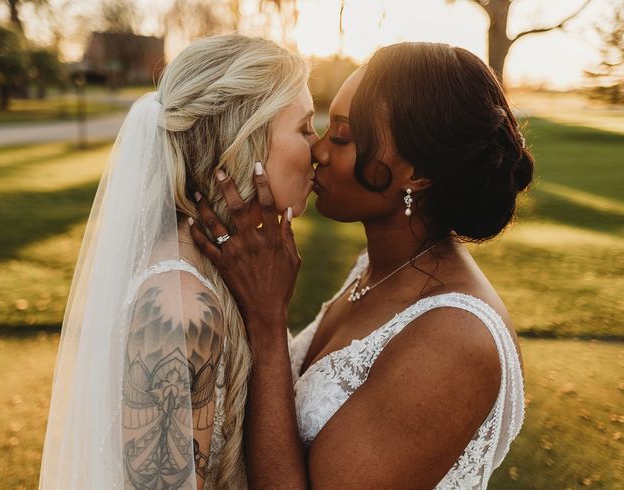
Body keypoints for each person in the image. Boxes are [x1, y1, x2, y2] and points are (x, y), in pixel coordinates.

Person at [190, 42, 531, 489]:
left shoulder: (456, 337)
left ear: (418, 172)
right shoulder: (375, 267)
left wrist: (268, 321)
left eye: (343, 137)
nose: (319, 152)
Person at [39, 34, 317, 490]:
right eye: (305, 128)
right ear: (242, 139)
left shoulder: (224, 271)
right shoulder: (178, 308)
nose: (318, 147)